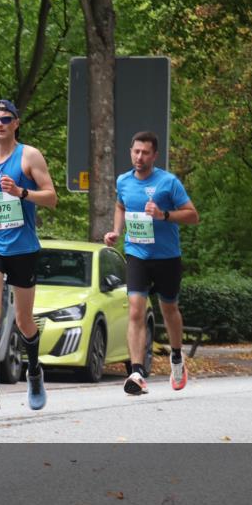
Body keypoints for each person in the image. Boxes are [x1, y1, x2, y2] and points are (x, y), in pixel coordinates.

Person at [0, 99, 57, 411]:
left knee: (23, 320)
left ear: (16, 123)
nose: (0, 124)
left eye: (6, 119)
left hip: (22, 247)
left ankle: (34, 372)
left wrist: (21, 192)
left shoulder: (29, 156)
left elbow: (51, 198)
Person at [103, 131, 199, 395]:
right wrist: (116, 231)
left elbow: (193, 215)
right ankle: (137, 371)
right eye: (136, 151)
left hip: (167, 257)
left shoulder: (168, 183)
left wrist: (163, 214)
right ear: (130, 152)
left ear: (154, 155)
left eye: (145, 153)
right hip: (137, 254)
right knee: (135, 309)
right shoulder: (123, 181)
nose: (139, 157)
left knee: (169, 309)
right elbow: (121, 205)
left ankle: (177, 357)